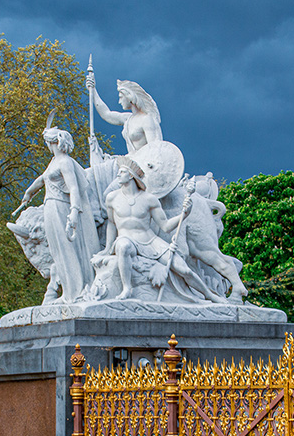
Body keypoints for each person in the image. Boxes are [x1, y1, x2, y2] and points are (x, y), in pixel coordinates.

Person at [94, 157, 224, 303]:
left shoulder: (149, 199)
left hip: (150, 241)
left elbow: (166, 226)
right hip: (125, 239)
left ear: (131, 176)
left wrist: (184, 215)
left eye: (122, 172)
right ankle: (127, 288)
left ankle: (209, 295)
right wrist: (107, 248)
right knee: (123, 247)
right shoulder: (112, 198)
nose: (118, 174)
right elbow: (112, 224)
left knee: (183, 269)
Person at [17, 124, 100, 303]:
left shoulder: (65, 162)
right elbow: (42, 179)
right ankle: (68, 291)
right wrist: (29, 193)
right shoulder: (54, 162)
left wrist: (74, 212)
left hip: (61, 207)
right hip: (50, 207)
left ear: (51, 142)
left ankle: (75, 292)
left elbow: (73, 188)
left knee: (66, 247)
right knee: (57, 249)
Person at [86, 70, 163, 155]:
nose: (119, 102)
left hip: (144, 161)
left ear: (129, 96)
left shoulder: (147, 119)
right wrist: (93, 90)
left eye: (121, 97)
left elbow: (155, 149)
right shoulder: (127, 118)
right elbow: (106, 114)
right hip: (131, 159)